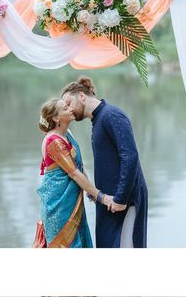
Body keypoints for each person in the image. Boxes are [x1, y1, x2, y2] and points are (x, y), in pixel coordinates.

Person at [61, 77, 148, 248]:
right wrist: (96, 194)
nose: (68, 109)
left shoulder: (111, 115)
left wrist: (121, 199)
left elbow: (130, 157)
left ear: (82, 96)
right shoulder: (98, 119)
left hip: (125, 202)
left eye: (69, 102)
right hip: (110, 201)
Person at [36, 97, 112, 248]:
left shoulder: (67, 133)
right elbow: (74, 173)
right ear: (56, 118)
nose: (70, 109)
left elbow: (80, 167)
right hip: (59, 207)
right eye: (65, 108)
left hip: (73, 203)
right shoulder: (54, 142)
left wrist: (91, 194)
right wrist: (102, 197)